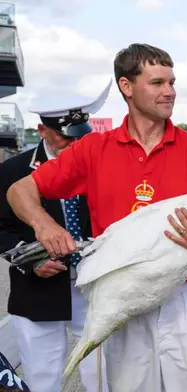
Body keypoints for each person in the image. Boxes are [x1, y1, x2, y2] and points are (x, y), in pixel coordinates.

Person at [5, 43, 187, 392]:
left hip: (186, 301)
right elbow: (20, 190)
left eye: (172, 82)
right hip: (124, 299)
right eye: (157, 83)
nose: (169, 92)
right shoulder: (93, 150)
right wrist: (44, 224)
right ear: (127, 87)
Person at [0, 84, 111, 392]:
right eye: (66, 136)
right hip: (37, 292)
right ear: (43, 131)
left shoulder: (99, 166)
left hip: (93, 289)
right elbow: (1, 227)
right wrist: (32, 260)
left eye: (80, 135)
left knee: (102, 378)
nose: (75, 143)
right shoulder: (14, 171)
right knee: (42, 380)